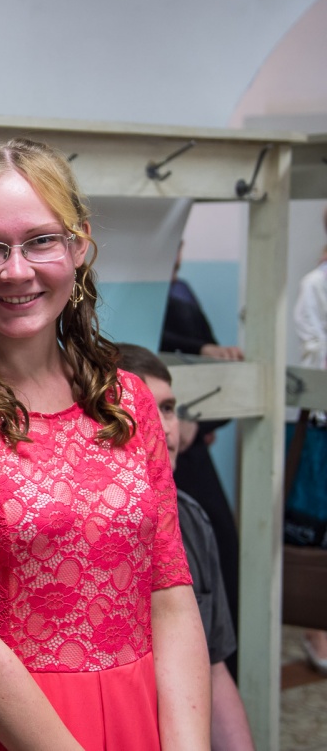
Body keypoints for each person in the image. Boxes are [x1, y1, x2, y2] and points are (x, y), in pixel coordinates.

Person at [0, 138, 210, 750]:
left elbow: (170, 595)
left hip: (140, 709)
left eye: (41, 240)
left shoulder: (128, 399)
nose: (17, 270)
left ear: (78, 245)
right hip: (8, 725)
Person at [117, 343, 255, 751]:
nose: (165, 428)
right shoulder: (77, 533)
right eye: (144, 407)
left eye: (169, 408)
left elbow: (214, 667)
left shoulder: (192, 519)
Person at [161, 241, 243, 677]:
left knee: (218, 552)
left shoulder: (183, 293)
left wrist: (199, 419)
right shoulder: (148, 295)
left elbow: (210, 358)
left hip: (195, 456)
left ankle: (224, 668)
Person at [290, 212, 327, 675]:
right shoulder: (316, 284)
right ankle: (318, 628)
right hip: (322, 422)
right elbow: (314, 349)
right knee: (319, 529)